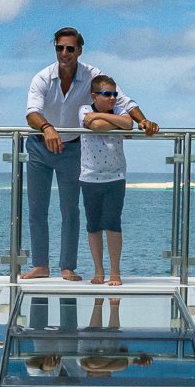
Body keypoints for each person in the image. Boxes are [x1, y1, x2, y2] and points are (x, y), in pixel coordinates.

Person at [22, 27, 157, 280]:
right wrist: (47, 127)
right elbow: (31, 112)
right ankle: (40, 265)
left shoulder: (93, 75)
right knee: (36, 208)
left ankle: (67, 267)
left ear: (79, 50)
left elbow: (123, 101)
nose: (64, 53)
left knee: (70, 209)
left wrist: (143, 121)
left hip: (71, 147)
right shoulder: (42, 77)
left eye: (70, 48)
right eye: (59, 48)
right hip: (40, 144)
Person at [77, 74, 139, 285]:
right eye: (107, 94)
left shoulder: (120, 110)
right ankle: (98, 271)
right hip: (89, 176)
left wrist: (108, 119)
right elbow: (94, 126)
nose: (113, 98)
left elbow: (129, 124)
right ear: (94, 96)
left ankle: (115, 272)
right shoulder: (84, 110)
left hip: (116, 175)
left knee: (113, 223)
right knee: (93, 225)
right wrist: (112, 123)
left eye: (114, 94)